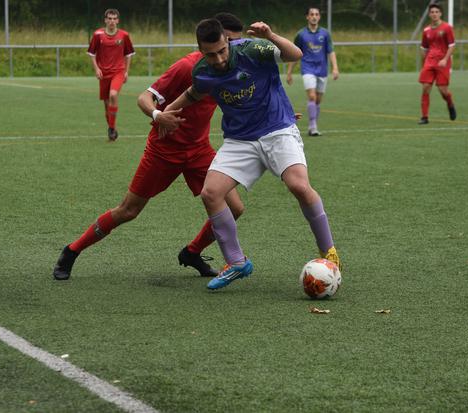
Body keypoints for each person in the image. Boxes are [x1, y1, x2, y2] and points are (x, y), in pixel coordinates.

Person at [53, 15, 250, 281]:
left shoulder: (231, 66)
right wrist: (159, 116)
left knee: (234, 208)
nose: (232, 51)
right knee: (128, 211)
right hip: (164, 150)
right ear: (209, 45)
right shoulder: (186, 67)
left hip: (199, 150)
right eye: (232, 42)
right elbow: (144, 98)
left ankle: (191, 252)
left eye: (236, 44)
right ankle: (72, 251)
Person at [162, 19, 342, 291]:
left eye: (222, 50)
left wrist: (270, 35)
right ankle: (236, 262)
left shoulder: (252, 49)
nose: (219, 59)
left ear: (228, 41)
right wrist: (167, 112)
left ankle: (329, 251)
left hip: (277, 129)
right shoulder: (202, 70)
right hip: (239, 140)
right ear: (200, 50)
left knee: (298, 185)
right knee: (211, 193)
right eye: (211, 54)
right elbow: (195, 92)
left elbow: (295, 54)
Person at [286, 7, 339, 136]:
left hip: (322, 70)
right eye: (311, 14)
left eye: (316, 14)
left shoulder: (325, 34)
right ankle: (313, 125)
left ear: (319, 17)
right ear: (307, 17)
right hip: (307, 68)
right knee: (311, 96)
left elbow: (330, 51)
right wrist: (289, 72)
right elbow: (295, 54)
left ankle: (312, 124)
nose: (314, 16)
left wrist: (335, 67)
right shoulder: (301, 34)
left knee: (318, 100)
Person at [87, 8, 135, 141]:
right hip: (103, 74)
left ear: (118, 21)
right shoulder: (98, 35)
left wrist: (126, 71)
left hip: (118, 72)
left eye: (114, 19)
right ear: (105, 20)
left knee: (113, 95)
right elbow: (91, 53)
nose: (112, 21)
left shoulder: (124, 35)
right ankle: (112, 127)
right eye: (110, 18)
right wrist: (96, 69)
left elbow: (129, 54)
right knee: (107, 105)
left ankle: (111, 128)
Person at [418, 3, 456, 125]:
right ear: (429, 14)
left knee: (442, 90)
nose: (434, 14)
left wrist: (445, 59)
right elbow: (423, 47)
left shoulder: (447, 28)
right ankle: (424, 117)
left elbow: (452, 46)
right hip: (429, 62)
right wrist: (424, 62)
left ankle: (450, 103)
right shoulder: (426, 30)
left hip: (442, 63)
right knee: (425, 88)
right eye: (432, 12)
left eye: (436, 12)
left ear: (440, 13)